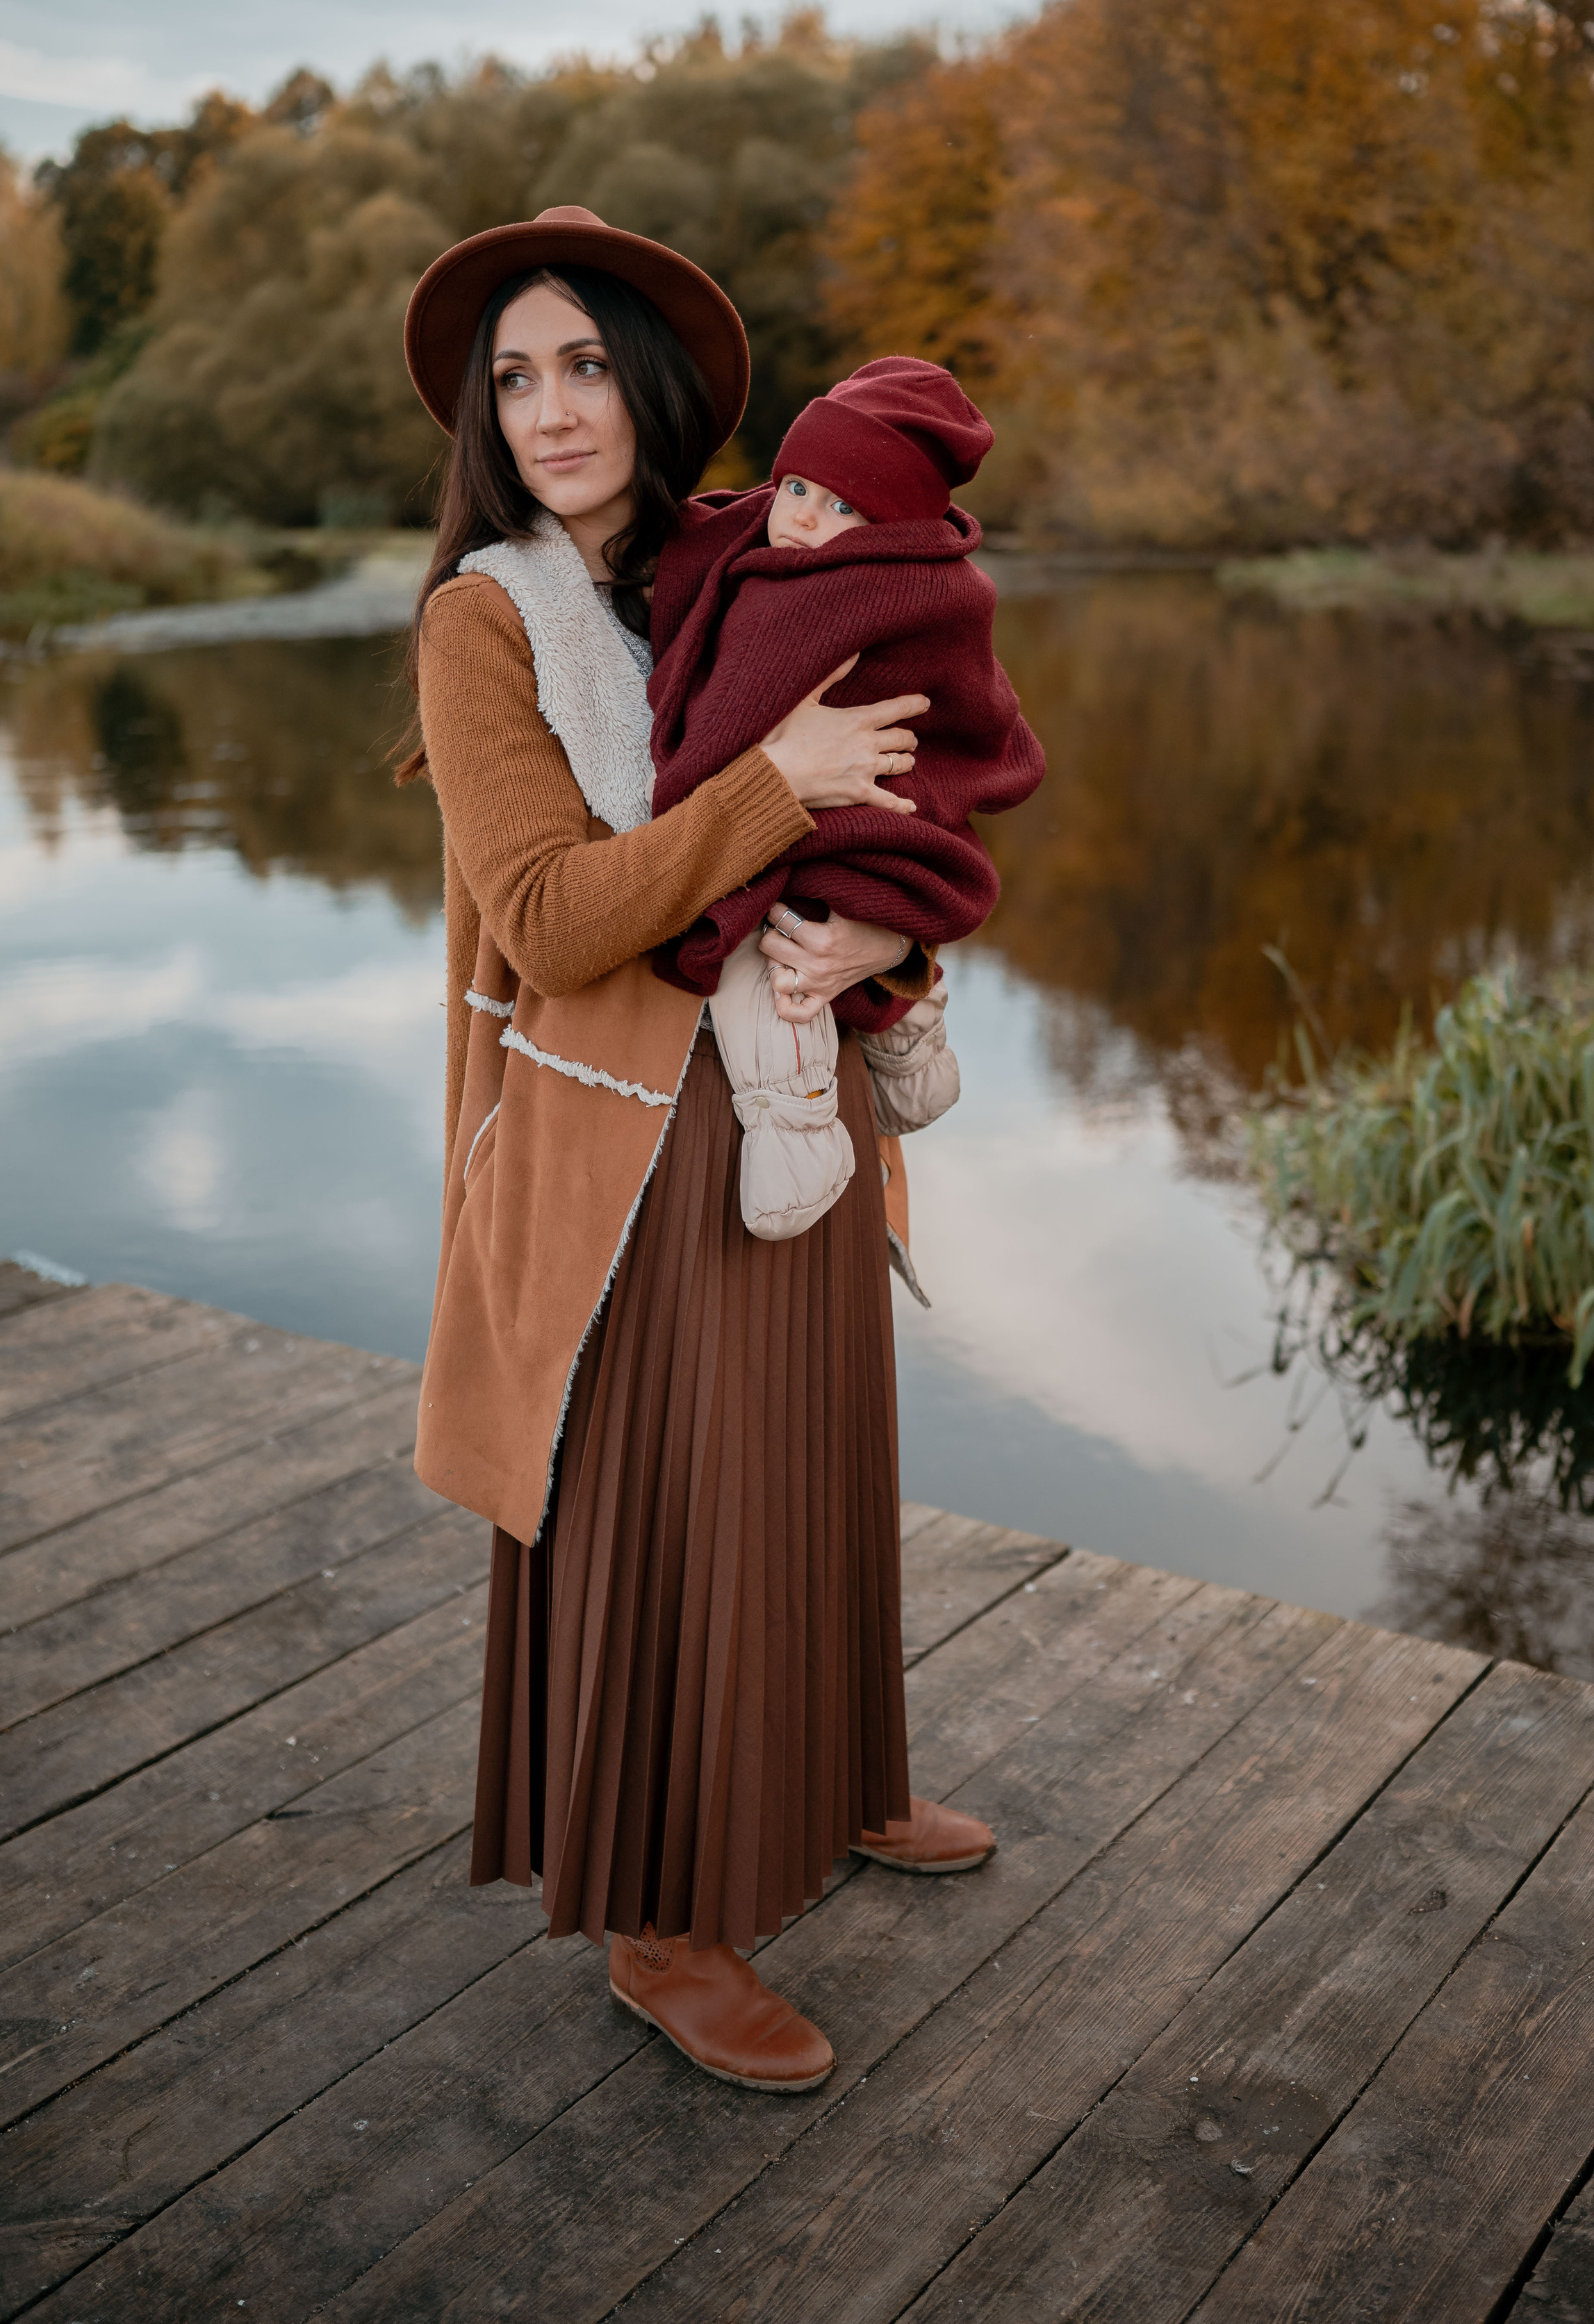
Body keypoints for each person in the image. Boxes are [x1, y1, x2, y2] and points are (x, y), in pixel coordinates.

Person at [396, 204, 996, 2097]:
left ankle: (836, 1778)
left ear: (650, 386)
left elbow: (927, 779)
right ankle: (659, 1922)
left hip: (797, 1086)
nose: (552, 409)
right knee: (675, 1507)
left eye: (585, 364)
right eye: (515, 378)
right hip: (619, 1143)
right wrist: (769, 785)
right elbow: (556, 915)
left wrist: (891, 930)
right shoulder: (485, 621)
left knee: (813, 1456)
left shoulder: (749, 561)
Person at [647, 355, 1046, 1246]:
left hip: (824, 845)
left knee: (763, 962)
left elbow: (719, 739)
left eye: (842, 508)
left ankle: (798, 1140)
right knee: (828, 931)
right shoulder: (930, 580)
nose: (801, 519)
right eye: (794, 488)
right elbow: (993, 731)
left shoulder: (805, 599)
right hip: (891, 850)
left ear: (891, 528)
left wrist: (684, 779)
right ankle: (912, 1045)